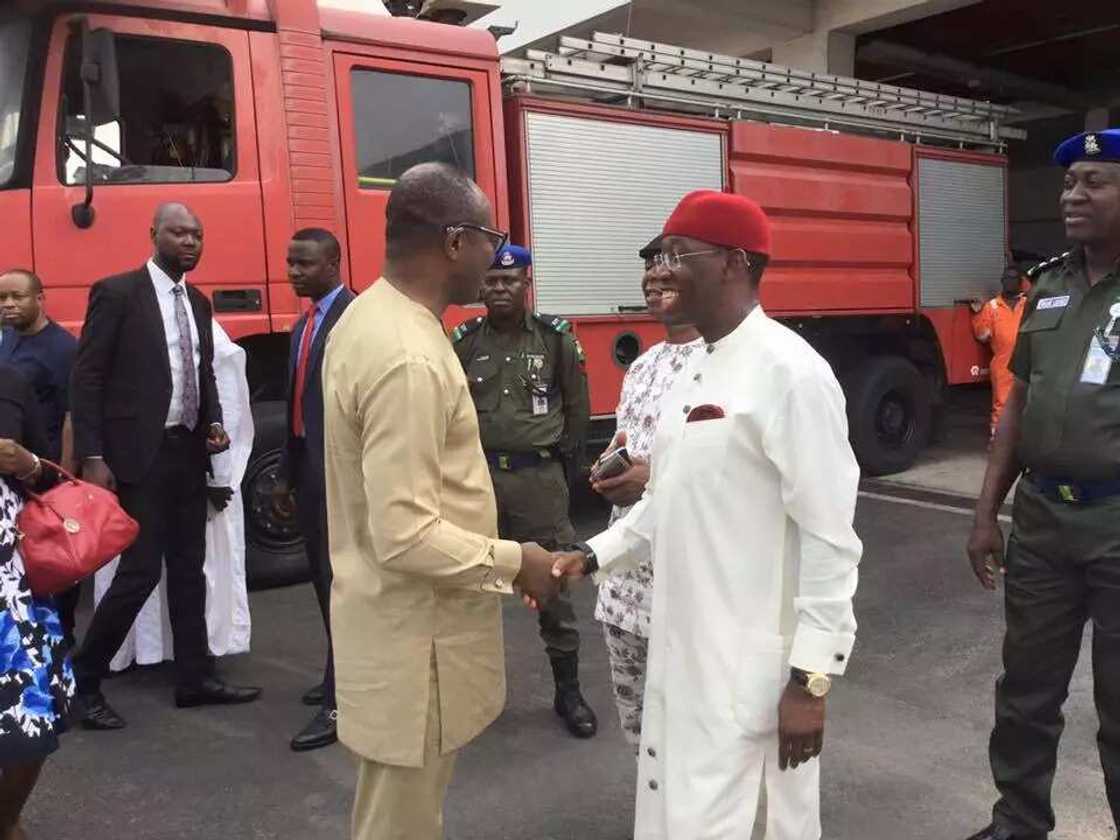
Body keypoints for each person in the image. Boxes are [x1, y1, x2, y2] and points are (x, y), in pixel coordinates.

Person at [553, 190, 862, 840]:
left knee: (749, 822)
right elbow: (667, 500)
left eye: (676, 254)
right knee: (677, 818)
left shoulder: (792, 374)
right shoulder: (691, 369)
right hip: (682, 652)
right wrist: (592, 557)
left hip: (748, 673)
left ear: (733, 263)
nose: (659, 269)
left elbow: (831, 540)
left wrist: (811, 683)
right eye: (658, 255)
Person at [322, 162, 560, 840]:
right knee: (399, 826)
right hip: (412, 645)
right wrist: (518, 561)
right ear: (455, 241)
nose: (498, 253)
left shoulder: (372, 317)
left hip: (394, 629)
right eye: (492, 236)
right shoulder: (410, 356)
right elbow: (404, 532)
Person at [965, 129, 1120, 840]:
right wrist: (985, 513)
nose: (1072, 196)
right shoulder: (1049, 286)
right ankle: (1017, 824)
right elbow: (1016, 406)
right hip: (1043, 525)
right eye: (1067, 184)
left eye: (1093, 181)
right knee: (1026, 695)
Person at [69, 202, 259, 731]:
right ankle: (83, 682)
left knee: (189, 569)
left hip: (186, 454)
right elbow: (87, 379)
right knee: (139, 572)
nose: (190, 242)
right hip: (137, 457)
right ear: (154, 234)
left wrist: (215, 424)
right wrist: (93, 455)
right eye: (179, 233)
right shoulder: (117, 293)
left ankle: (195, 679)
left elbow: (203, 372)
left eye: (197, 234)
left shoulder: (198, 301)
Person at [451, 243, 597, 738]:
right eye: (491, 281)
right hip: (480, 482)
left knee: (552, 583)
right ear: (480, 287)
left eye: (509, 281)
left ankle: (569, 693)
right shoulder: (465, 341)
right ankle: (469, 698)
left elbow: (578, 414)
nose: (499, 289)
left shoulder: (555, 340)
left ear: (526, 285)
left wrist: (561, 475)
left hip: (539, 482)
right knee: (471, 584)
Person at [591, 235, 702, 748]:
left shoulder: (732, 363)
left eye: (671, 262)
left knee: (700, 748)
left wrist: (651, 478)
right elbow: (629, 450)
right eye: (650, 264)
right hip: (626, 594)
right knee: (645, 745)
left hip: (694, 602)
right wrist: (612, 474)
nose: (656, 275)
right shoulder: (641, 367)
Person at [92, 320, 254, 671]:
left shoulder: (201, 325)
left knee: (192, 573)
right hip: (141, 470)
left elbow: (224, 406)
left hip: (197, 472)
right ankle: (95, 665)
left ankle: (193, 666)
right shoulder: (130, 328)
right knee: (141, 572)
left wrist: (221, 474)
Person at [273, 227, 355, 753]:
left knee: (342, 585)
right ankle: (337, 676)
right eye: (290, 262)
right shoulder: (303, 324)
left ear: (332, 264)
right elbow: (297, 405)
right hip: (307, 470)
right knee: (322, 584)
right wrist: (284, 474)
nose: (293, 272)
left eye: (303, 264)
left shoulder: (355, 319)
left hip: (342, 477)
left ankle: (341, 699)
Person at [0, 365, 75, 840]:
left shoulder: (9, 381)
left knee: (32, 718)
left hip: (11, 582)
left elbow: (49, 475)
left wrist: (26, 462)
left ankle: (6, 818)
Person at [0, 268, 81, 648]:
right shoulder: (8, 341)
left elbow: (71, 416)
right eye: (2, 299)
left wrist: (61, 478)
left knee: (57, 568)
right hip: (15, 475)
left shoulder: (62, 348)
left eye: (17, 297)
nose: (9, 305)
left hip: (45, 470)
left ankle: (65, 647)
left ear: (40, 298)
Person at [971, 264, 1029, 438]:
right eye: (1006, 279)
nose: (1009, 282)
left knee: (1028, 403)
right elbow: (982, 335)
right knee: (1002, 405)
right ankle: (998, 443)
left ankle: (1023, 443)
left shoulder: (1028, 304)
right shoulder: (992, 307)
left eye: (1013, 279)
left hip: (1027, 363)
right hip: (1003, 365)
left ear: (1020, 283)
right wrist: (977, 314)